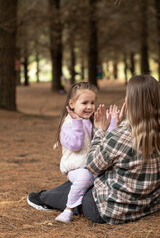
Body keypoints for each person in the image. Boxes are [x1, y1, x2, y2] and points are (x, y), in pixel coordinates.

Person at [27, 75, 160, 224]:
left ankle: (44, 198)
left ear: (130, 101)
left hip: (111, 210)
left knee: (83, 183)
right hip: (149, 204)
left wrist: (100, 131)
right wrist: (119, 123)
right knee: (84, 180)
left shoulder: (120, 136)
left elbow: (93, 165)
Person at [27, 81, 117, 223]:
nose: (89, 107)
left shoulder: (92, 121)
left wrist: (112, 122)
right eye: (84, 103)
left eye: (92, 103)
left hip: (93, 166)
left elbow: (106, 141)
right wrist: (77, 123)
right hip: (77, 168)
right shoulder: (68, 125)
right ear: (72, 103)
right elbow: (76, 145)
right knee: (84, 178)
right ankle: (68, 210)